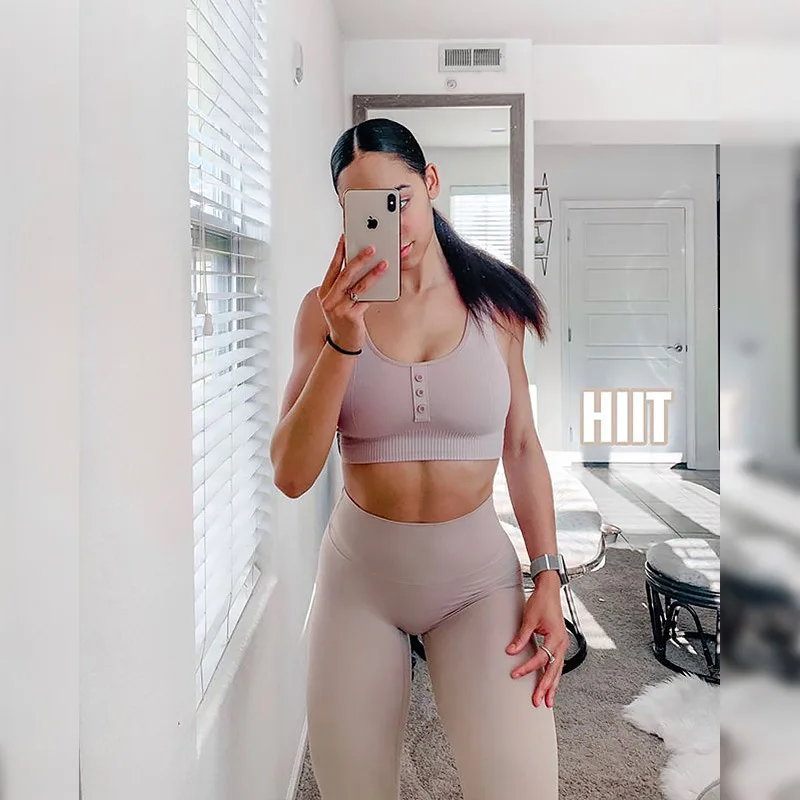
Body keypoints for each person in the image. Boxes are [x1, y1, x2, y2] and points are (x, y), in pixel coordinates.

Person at [270, 118, 566, 800]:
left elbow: (522, 445)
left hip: (478, 585)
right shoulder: (325, 313)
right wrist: (344, 341)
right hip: (360, 584)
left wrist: (548, 575)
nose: (390, 222)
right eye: (364, 209)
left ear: (430, 183)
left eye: (398, 198)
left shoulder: (498, 305)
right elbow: (291, 474)